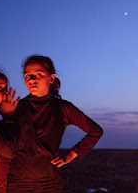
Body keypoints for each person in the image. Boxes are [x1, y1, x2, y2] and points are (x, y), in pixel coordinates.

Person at [7, 55, 103, 192]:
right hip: (17, 184)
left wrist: (72, 154)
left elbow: (95, 131)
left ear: (51, 78)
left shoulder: (62, 108)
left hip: (50, 184)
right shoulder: (17, 107)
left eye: (38, 74)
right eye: (27, 75)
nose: (32, 79)